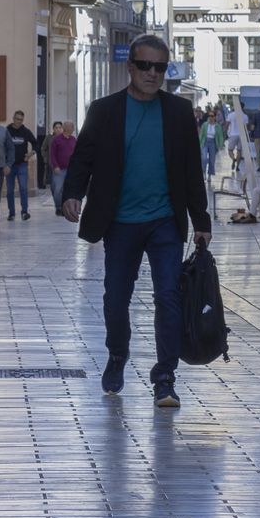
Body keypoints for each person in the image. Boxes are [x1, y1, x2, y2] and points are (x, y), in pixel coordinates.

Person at [62, 34, 210, 408]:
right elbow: (83, 158)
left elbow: (193, 169)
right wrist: (71, 194)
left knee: (169, 299)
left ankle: (164, 378)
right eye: (145, 66)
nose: (152, 74)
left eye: (160, 67)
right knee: (115, 300)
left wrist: (201, 219)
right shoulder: (105, 109)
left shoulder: (177, 112)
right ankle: (117, 354)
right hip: (121, 223)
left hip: (164, 222)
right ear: (130, 67)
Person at [5, 110, 39, 220]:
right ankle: (11, 213)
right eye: (17, 119)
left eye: (21, 119)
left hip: (22, 164)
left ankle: (24, 212)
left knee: (23, 188)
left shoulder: (25, 131)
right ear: (13, 118)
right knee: (10, 190)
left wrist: (31, 153)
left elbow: (35, 143)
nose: (18, 121)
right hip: (9, 164)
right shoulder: (7, 131)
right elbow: (0, 145)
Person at [48, 121, 77, 216]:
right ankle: (58, 207)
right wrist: (55, 166)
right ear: (66, 128)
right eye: (71, 127)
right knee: (57, 190)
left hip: (71, 169)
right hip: (59, 169)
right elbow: (52, 155)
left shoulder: (74, 140)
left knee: (69, 190)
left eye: (73, 127)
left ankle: (66, 208)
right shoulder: (56, 140)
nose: (73, 129)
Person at [225, 103, 247, 179]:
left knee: (230, 150)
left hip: (233, 134)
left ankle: (233, 159)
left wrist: (225, 132)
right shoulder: (245, 116)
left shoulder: (231, 115)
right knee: (239, 151)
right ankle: (237, 166)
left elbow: (227, 124)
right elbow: (246, 128)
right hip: (241, 135)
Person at [200, 110, 223, 180]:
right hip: (205, 142)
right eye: (209, 116)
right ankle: (204, 172)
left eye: (212, 116)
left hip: (213, 143)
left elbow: (220, 136)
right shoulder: (205, 124)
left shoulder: (217, 126)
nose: (210, 117)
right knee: (204, 158)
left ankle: (209, 174)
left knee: (212, 160)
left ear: (215, 117)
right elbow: (201, 135)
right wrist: (199, 144)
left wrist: (220, 145)